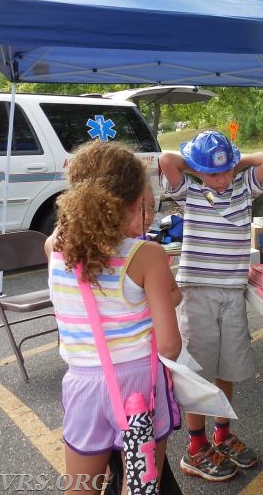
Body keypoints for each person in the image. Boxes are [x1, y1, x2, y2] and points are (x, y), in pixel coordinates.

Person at [46, 140, 182, 494]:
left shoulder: (56, 250)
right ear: (136, 201)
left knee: (81, 486)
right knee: (139, 485)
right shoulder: (147, 255)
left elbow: (61, 235)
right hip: (137, 386)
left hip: (83, 386)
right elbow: (169, 344)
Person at [159, 130, 263, 482]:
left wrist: (229, 162)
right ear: (197, 172)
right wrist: (202, 168)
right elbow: (168, 161)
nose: (222, 179)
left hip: (231, 294)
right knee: (198, 371)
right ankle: (196, 448)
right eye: (213, 173)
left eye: (226, 171)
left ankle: (221, 435)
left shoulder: (244, 188)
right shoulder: (192, 190)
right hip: (197, 293)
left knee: (227, 369)